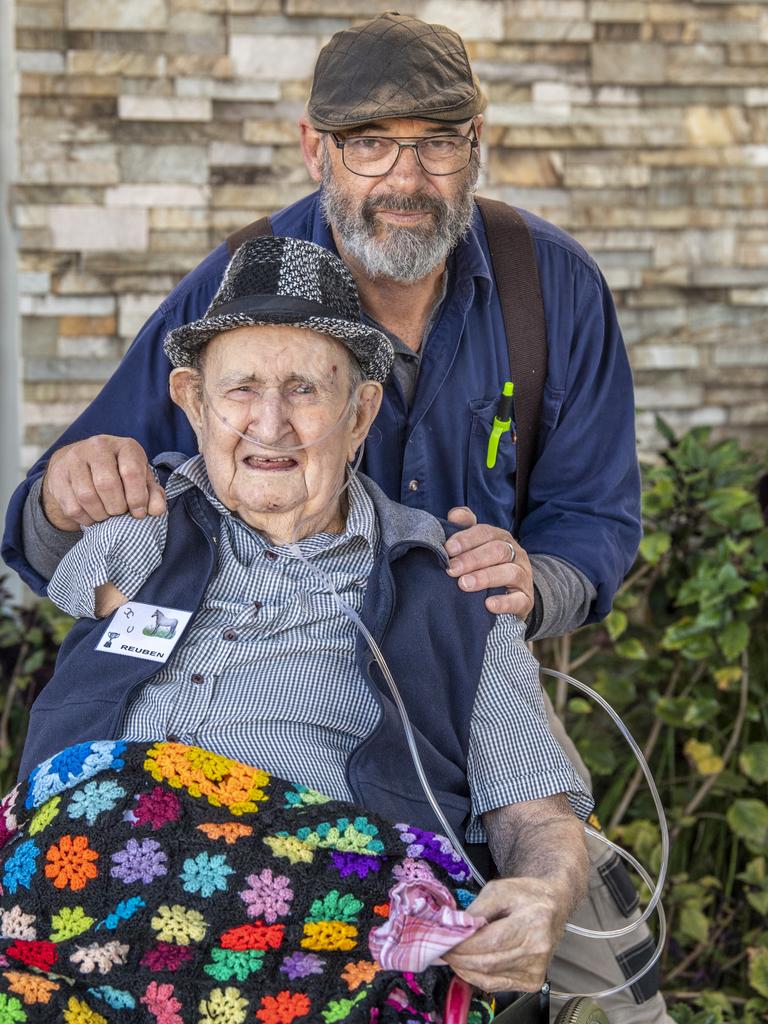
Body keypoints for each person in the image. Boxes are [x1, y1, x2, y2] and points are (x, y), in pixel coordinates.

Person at [2, 12, 665, 1022]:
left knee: (592, 949)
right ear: (317, 149)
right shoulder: (159, 510)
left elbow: (596, 520)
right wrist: (62, 495)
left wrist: (528, 588)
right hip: (89, 903)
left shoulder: (548, 292)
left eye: (438, 142)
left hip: (429, 725)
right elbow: (62, 515)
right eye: (369, 143)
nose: (406, 176)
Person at [6, 236, 591, 1020]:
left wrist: (544, 897)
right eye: (240, 389)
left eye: (306, 390)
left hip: (317, 940)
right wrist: (61, 486)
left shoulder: (452, 591)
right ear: (193, 402)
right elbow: (43, 539)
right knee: (85, 818)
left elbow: (534, 813)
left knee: (98, 819)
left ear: (361, 412)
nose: (270, 424)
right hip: (85, 923)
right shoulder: (140, 532)